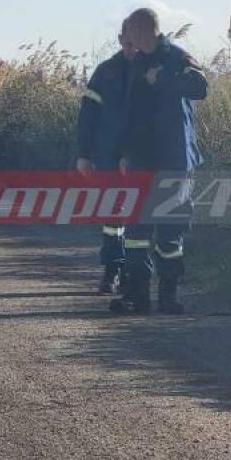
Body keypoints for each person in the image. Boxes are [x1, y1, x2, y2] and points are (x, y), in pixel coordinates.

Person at [111, 7, 208, 315]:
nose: (129, 40)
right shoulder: (136, 63)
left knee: (170, 232)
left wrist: (164, 78)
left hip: (174, 160)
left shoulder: (177, 59)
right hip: (142, 159)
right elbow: (129, 113)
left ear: (144, 31)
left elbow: (200, 88)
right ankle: (138, 297)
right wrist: (124, 154)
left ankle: (169, 296)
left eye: (132, 34)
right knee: (137, 232)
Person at [77, 20, 135, 294]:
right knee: (112, 217)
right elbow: (87, 116)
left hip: (142, 159)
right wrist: (83, 154)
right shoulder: (105, 72)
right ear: (120, 38)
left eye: (138, 39)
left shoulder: (153, 71)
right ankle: (112, 270)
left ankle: (134, 274)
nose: (132, 45)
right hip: (107, 159)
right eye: (128, 39)